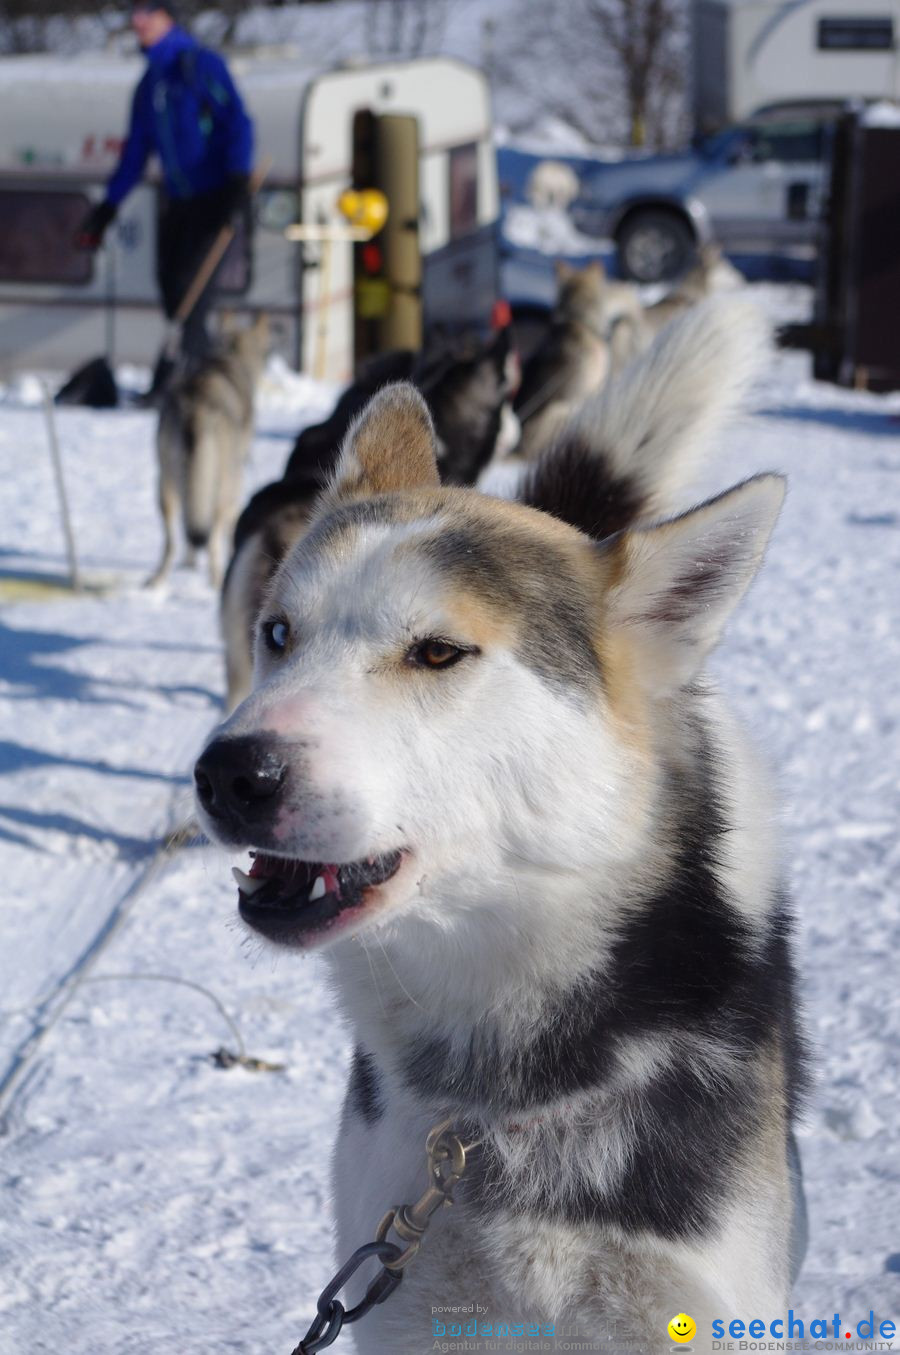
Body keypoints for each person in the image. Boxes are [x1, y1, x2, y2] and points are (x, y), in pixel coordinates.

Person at [77, 1, 254, 383]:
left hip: (215, 197)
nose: (137, 20)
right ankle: (192, 374)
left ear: (168, 17)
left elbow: (238, 122)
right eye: (134, 12)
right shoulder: (150, 83)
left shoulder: (199, 65)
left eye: (147, 11)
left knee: (192, 293)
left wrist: (238, 180)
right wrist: (107, 206)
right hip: (178, 201)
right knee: (170, 289)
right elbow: (136, 151)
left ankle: (188, 380)